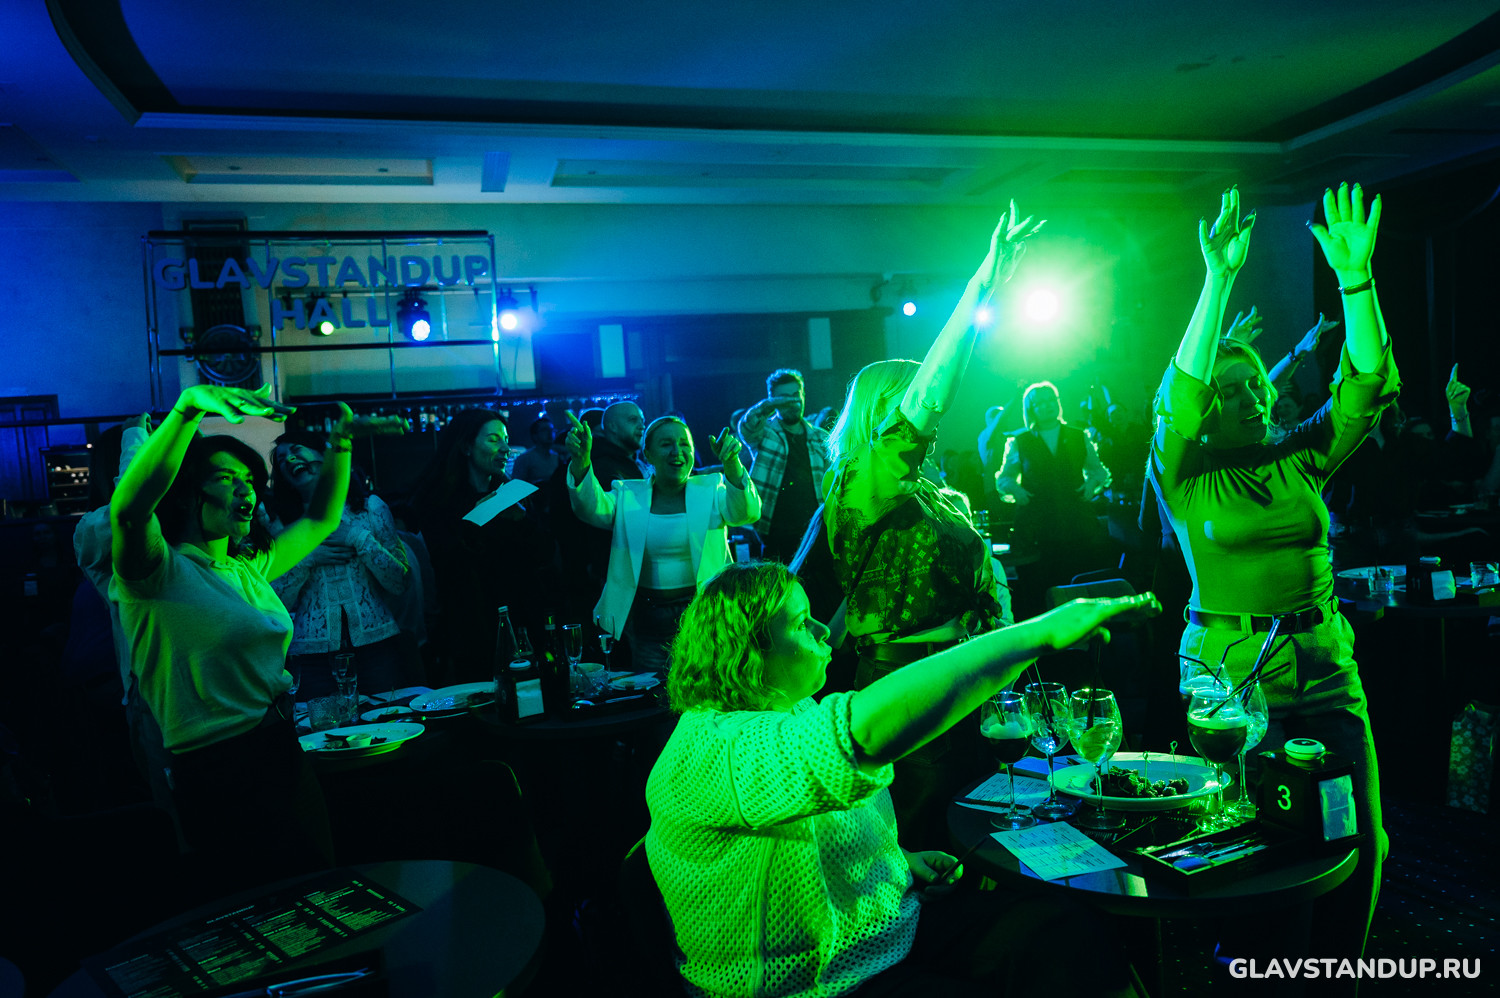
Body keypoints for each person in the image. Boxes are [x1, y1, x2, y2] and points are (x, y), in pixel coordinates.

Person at [646, 561, 1156, 998]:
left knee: (1066, 927)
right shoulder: (712, 749)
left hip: (891, 935)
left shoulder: (790, 710)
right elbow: (859, 735)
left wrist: (902, 862)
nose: (824, 631)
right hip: (816, 986)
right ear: (747, 652)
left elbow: (809, 835)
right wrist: (1037, 635)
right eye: (801, 623)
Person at [1149, 184, 1394, 980]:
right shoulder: (1184, 476)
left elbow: (1364, 386)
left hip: (1324, 666)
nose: (1248, 396)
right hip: (1229, 676)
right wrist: (1217, 278)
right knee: (1250, 845)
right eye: (1229, 391)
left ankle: (1337, 981)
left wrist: (1356, 280)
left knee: (1358, 836)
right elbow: (1178, 398)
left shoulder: (1300, 456)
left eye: (1254, 382)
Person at [109, 384, 404, 889]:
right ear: (187, 491)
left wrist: (341, 442)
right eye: (226, 479)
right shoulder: (156, 573)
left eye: (249, 479)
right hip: (217, 768)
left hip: (280, 746)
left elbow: (320, 518)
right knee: (262, 907)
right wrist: (187, 410)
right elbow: (130, 512)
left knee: (323, 888)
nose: (246, 491)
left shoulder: (245, 567)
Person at [823, 203, 1039, 844]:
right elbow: (929, 400)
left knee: (982, 827)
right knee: (924, 835)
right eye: (913, 401)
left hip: (963, 671)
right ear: (879, 416)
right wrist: (980, 287)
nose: (930, 415)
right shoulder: (857, 482)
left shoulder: (927, 493)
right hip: (906, 677)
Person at [563, 412, 760, 674]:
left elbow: (747, 512)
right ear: (648, 454)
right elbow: (590, 508)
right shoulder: (628, 494)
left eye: (684, 444)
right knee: (654, 688)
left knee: (709, 683)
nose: (676, 451)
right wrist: (581, 461)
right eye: (666, 444)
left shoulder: (711, 490)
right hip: (649, 620)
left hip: (705, 613)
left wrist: (732, 462)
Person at [413, 408, 559, 680]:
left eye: (506, 439)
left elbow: (546, 554)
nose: (505, 448)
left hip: (523, 622)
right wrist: (475, 522)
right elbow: (446, 565)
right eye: (493, 440)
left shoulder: (513, 494)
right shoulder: (438, 501)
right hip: (471, 629)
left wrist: (521, 520)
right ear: (466, 446)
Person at [268, 431, 414, 699]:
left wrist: (358, 537)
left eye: (297, 449)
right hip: (311, 656)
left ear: (324, 455)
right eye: (280, 459)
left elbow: (400, 583)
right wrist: (306, 558)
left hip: (376, 644)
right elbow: (276, 602)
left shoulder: (370, 508)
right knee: (321, 723)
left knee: (387, 716)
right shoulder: (282, 526)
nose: (289, 459)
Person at [996, 380, 1113, 608]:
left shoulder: (1079, 435)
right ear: (1031, 408)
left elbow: (1098, 471)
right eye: (1041, 402)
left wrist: (1090, 486)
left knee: (1079, 581)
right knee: (1042, 587)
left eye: (1051, 400)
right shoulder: (1020, 441)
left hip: (1076, 521)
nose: (1048, 405)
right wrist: (1017, 491)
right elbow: (1004, 478)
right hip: (1037, 526)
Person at [737, 368, 832, 563]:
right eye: (784, 397)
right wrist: (769, 405)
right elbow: (746, 426)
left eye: (796, 395)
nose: (792, 402)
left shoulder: (820, 438)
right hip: (775, 536)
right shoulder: (765, 432)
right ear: (773, 400)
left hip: (816, 534)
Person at [510, 415, 562, 485]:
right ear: (535, 435)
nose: (550, 433)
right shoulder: (525, 459)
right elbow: (516, 485)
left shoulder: (556, 457)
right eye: (545, 430)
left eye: (552, 430)